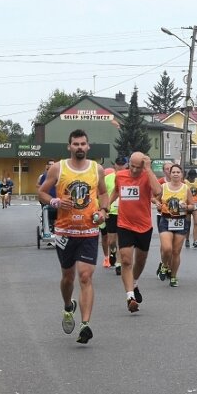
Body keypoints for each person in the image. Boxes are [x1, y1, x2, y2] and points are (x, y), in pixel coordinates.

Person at [38, 129, 109, 344]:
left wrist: (103, 211)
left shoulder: (97, 169)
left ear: (88, 147)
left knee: (85, 276)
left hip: (89, 231)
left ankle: (85, 324)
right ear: (69, 147)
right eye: (75, 144)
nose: (79, 147)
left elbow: (104, 194)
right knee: (68, 277)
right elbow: (41, 193)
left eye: (83, 144)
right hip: (65, 232)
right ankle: (68, 306)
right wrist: (55, 202)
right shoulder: (59, 168)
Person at [109, 151, 161, 313]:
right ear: (128, 163)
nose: (134, 170)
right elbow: (116, 192)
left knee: (140, 261)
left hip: (144, 226)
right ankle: (130, 296)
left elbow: (158, 191)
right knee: (125, 260)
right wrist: (104, 206)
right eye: (132, 166)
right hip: (124, 224)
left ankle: (135, 282)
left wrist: (148, 169)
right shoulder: (121, 175)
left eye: (138, 168)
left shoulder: (147, 176)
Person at [156, 163, 194, 287]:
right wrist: (158, 204)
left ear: (182, 174)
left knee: (176, 252)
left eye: (178, 172)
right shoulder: (164, 186)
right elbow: (154, 198)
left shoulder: (185, 188)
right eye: (173, 172)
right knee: (167, 249)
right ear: (170, 174)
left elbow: (193, 205)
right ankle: (165, 265)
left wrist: (186, 206)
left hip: (180, 221)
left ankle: (173, 276)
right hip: (166, 220)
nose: (176, 174)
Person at [104, 156, 127, 274]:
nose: (121, 166)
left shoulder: (129, 177)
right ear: (115, 165)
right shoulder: (108, 178)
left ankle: (118, 263)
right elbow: (102, 194)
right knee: (111, 240)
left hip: (124, 212)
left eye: (123, 164)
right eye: (119, 164)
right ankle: (112, 251)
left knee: (121, 239)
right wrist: (103, 208)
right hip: (111, 211)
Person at [185, 168, 197, 248]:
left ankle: (195, 241)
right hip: (188, 205)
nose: (193, 178)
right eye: (191, 177)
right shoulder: (184, 182)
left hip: (196, 204)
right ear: (188, 176)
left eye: (194, 176)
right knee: (188, 223)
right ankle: (187, 239)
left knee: (196, 222)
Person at [37, 160, 57, 232]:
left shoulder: (59, 175)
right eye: (50, 164)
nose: (52, 166)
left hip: (56, 198)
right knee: (46, 213)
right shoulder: (43, 176)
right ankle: (46, 228)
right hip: (47, 199)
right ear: (47, 166)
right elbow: (40, 187)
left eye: (53, 164)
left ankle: (55, 228)